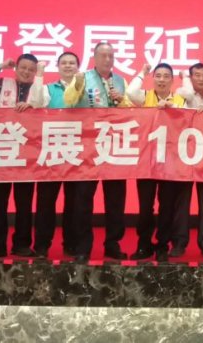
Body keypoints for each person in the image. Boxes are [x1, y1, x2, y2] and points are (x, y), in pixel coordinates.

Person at [64, 42, 131, 262]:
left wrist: (122, 100)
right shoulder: (82, 77)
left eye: (111, 56)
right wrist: (77, 85)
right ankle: (83, 246)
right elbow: (69, 101)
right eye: (103, 55)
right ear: (94, 57)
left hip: (114, 146)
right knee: (83, 199)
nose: (107, 59)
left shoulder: (120, 81)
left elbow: (131, 110)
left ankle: (112, 244)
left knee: (116, 199)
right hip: (88, 147)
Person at [0, 53, 39, 259]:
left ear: (35, 71)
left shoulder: (39, 90)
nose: (26, 72)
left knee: (24, 203)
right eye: (23, 68)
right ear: (16, 68)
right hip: (2, 151)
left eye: (31, 69)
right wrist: (0, 66)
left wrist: (33, 106)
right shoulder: (2, 84)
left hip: (28, 154)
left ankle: (22, 244)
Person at [126, 62, 186, 262]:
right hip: (147, 161)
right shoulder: (145, 97)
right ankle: (143, 244)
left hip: (170, 163)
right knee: (145, 207)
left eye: (166, 76)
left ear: (172, 80)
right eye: (158, 76)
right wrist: (142, 72)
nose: (162, 80)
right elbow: (130, 92)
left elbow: (188, 120)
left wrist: (173, 109)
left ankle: (162, 245)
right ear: (153, 79)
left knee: (166, 207)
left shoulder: (180, 100)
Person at [27, 52, 81, 257]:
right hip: (51, 151)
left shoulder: (84, 89)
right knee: (46, 202)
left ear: (78, 67)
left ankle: (71, 244)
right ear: (58, 67)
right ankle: (42, 245)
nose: (68, 66)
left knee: (73, 203)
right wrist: (39, 74)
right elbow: (36, 102)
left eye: (72, 63)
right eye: (64, 63)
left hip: (76, 151)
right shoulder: (48, 88)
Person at [173, 63, 203, 259]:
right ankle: (178, 242)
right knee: (181, 201)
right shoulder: (181, 94)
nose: (201, 79)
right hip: (183, 156)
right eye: (196, 75)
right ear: (191, 77)